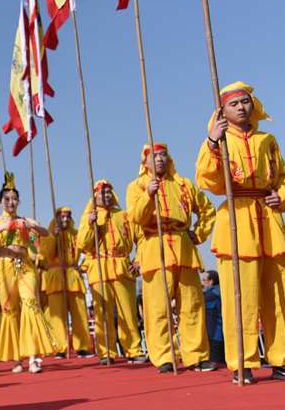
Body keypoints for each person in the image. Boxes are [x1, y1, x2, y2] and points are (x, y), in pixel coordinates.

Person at [196, 81, 285, 384]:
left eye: (245, 102)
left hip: (270, 220)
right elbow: (208, 181)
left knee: (282, 295)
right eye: (234, 104)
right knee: (239, 298)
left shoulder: (268, 140)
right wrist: (213, 143)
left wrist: (283, 196)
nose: (241, 108)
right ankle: (243, 361)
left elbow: (283, 177)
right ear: (223, 111)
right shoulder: (217, 140)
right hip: (236, 221)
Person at [126, 143, 217, 374]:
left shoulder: (184, 184)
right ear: (145, 161)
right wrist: (149, 194)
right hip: (154, 248)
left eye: (163, 154)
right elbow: (135, 217)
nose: (159, 159)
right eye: (154, 156)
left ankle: (196, 355)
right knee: (158, 307)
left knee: (192, 304)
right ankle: (164, 356)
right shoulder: (136, 186)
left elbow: (207, 210)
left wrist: (199, 234)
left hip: (184, 246)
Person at [0, 172, 51, 373]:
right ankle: (17, 358)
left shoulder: (24, 219)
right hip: (4, 266)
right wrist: (5, 226)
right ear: (0, 202)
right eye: (7, 199)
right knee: (10, 311)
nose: (11, 203)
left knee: (30, 303)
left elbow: (45, 232)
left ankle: (32, 356)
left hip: (25, 266)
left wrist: (29, 225)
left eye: (14, 199)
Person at [77, 180, 147, 365]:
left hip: (122, 265)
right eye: (102, 193)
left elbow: (140, 238)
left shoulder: (124, 215)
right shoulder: (88, 216)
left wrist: (138, 260)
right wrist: (91, 225)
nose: (106, 195)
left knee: (128, 312)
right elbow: (83, 245)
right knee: (102, 313)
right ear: (94, 197)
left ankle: (133, 350)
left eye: (109, 192)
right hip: (99, 266)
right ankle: (106, 352)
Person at [40, 207, 94, 358]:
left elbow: (88, 250)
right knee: (57, 315)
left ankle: (82, 347)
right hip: (55, 275)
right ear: (56, 218)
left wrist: (83, 267)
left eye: (68, 217)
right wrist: (53, 237)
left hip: (73, 276)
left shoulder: (76, 235)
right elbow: (46, 254)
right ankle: (61, 348)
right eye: (62, 217)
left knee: (80, 313)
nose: (65, 220)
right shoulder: (47, 234)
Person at [201, 270, 225, 366]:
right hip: (222, 335)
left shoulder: (212, 294)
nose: (202, 282)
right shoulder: (222, 291)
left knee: (216, 365)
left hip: (215, 336)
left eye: (204, 280)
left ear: (211, 281)